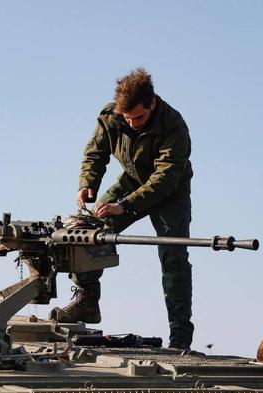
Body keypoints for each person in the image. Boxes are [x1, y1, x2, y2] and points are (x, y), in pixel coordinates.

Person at [51, 68, 194, 349]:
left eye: (138, 117)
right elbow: (95, 152)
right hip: (130, 182)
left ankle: (180, 337)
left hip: (170, 193)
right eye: (127, 118)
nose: (133, 123)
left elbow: (164, 179)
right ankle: (87, 300)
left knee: (173, 257)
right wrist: (87, 183)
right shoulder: (111, 116)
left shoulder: (174, 126)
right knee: (84, 232)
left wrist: (125, 205)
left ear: (152, 102)